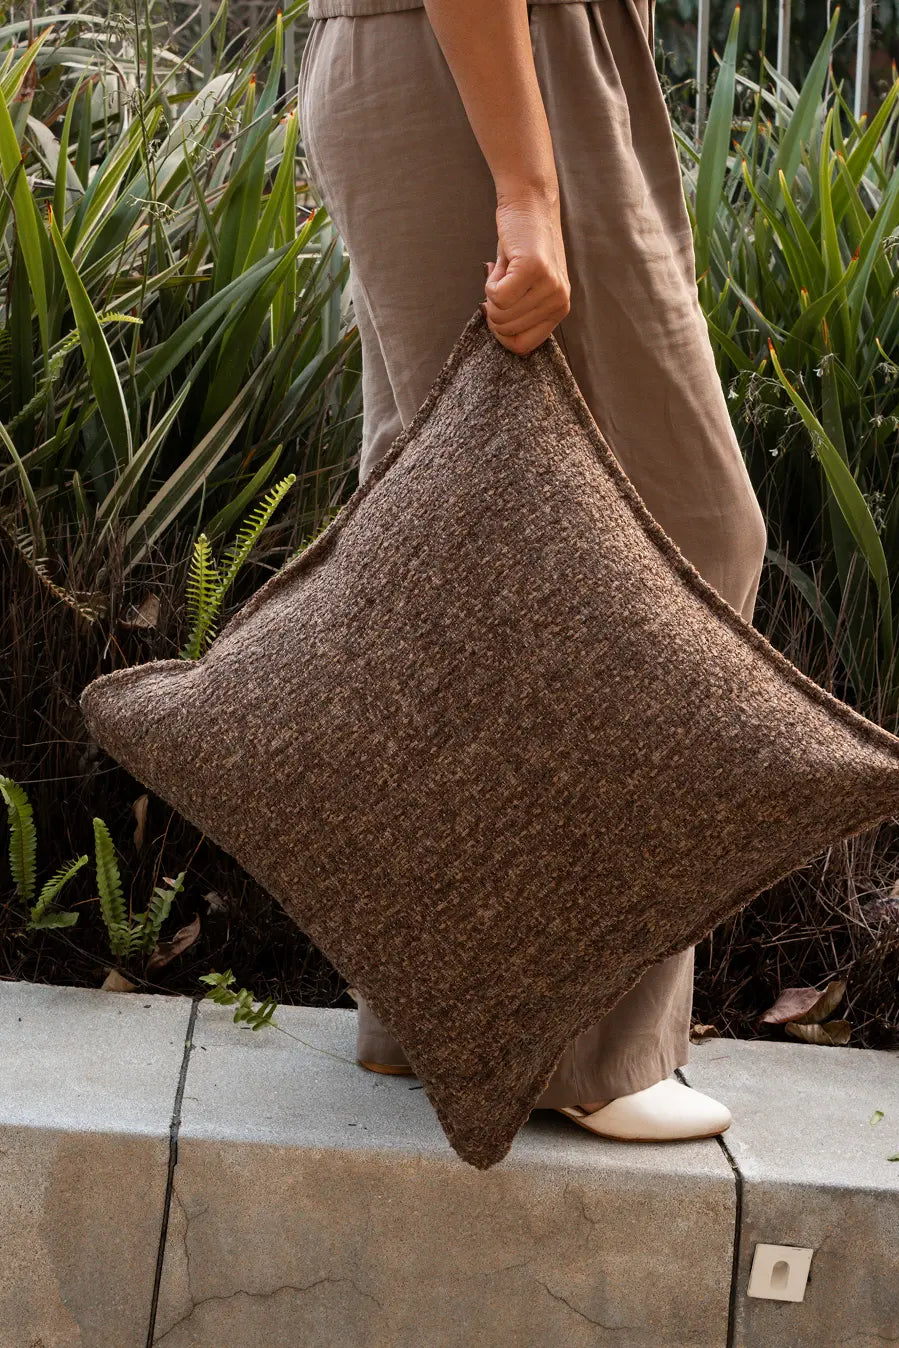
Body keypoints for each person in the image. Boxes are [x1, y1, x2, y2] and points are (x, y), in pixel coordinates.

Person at [298, 0, 768, 1142]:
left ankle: (434, 1012)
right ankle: (582, 1051)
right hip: (506, 56)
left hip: (458, 55)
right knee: (678, 537)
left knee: (446, 559)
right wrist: (524, 183)